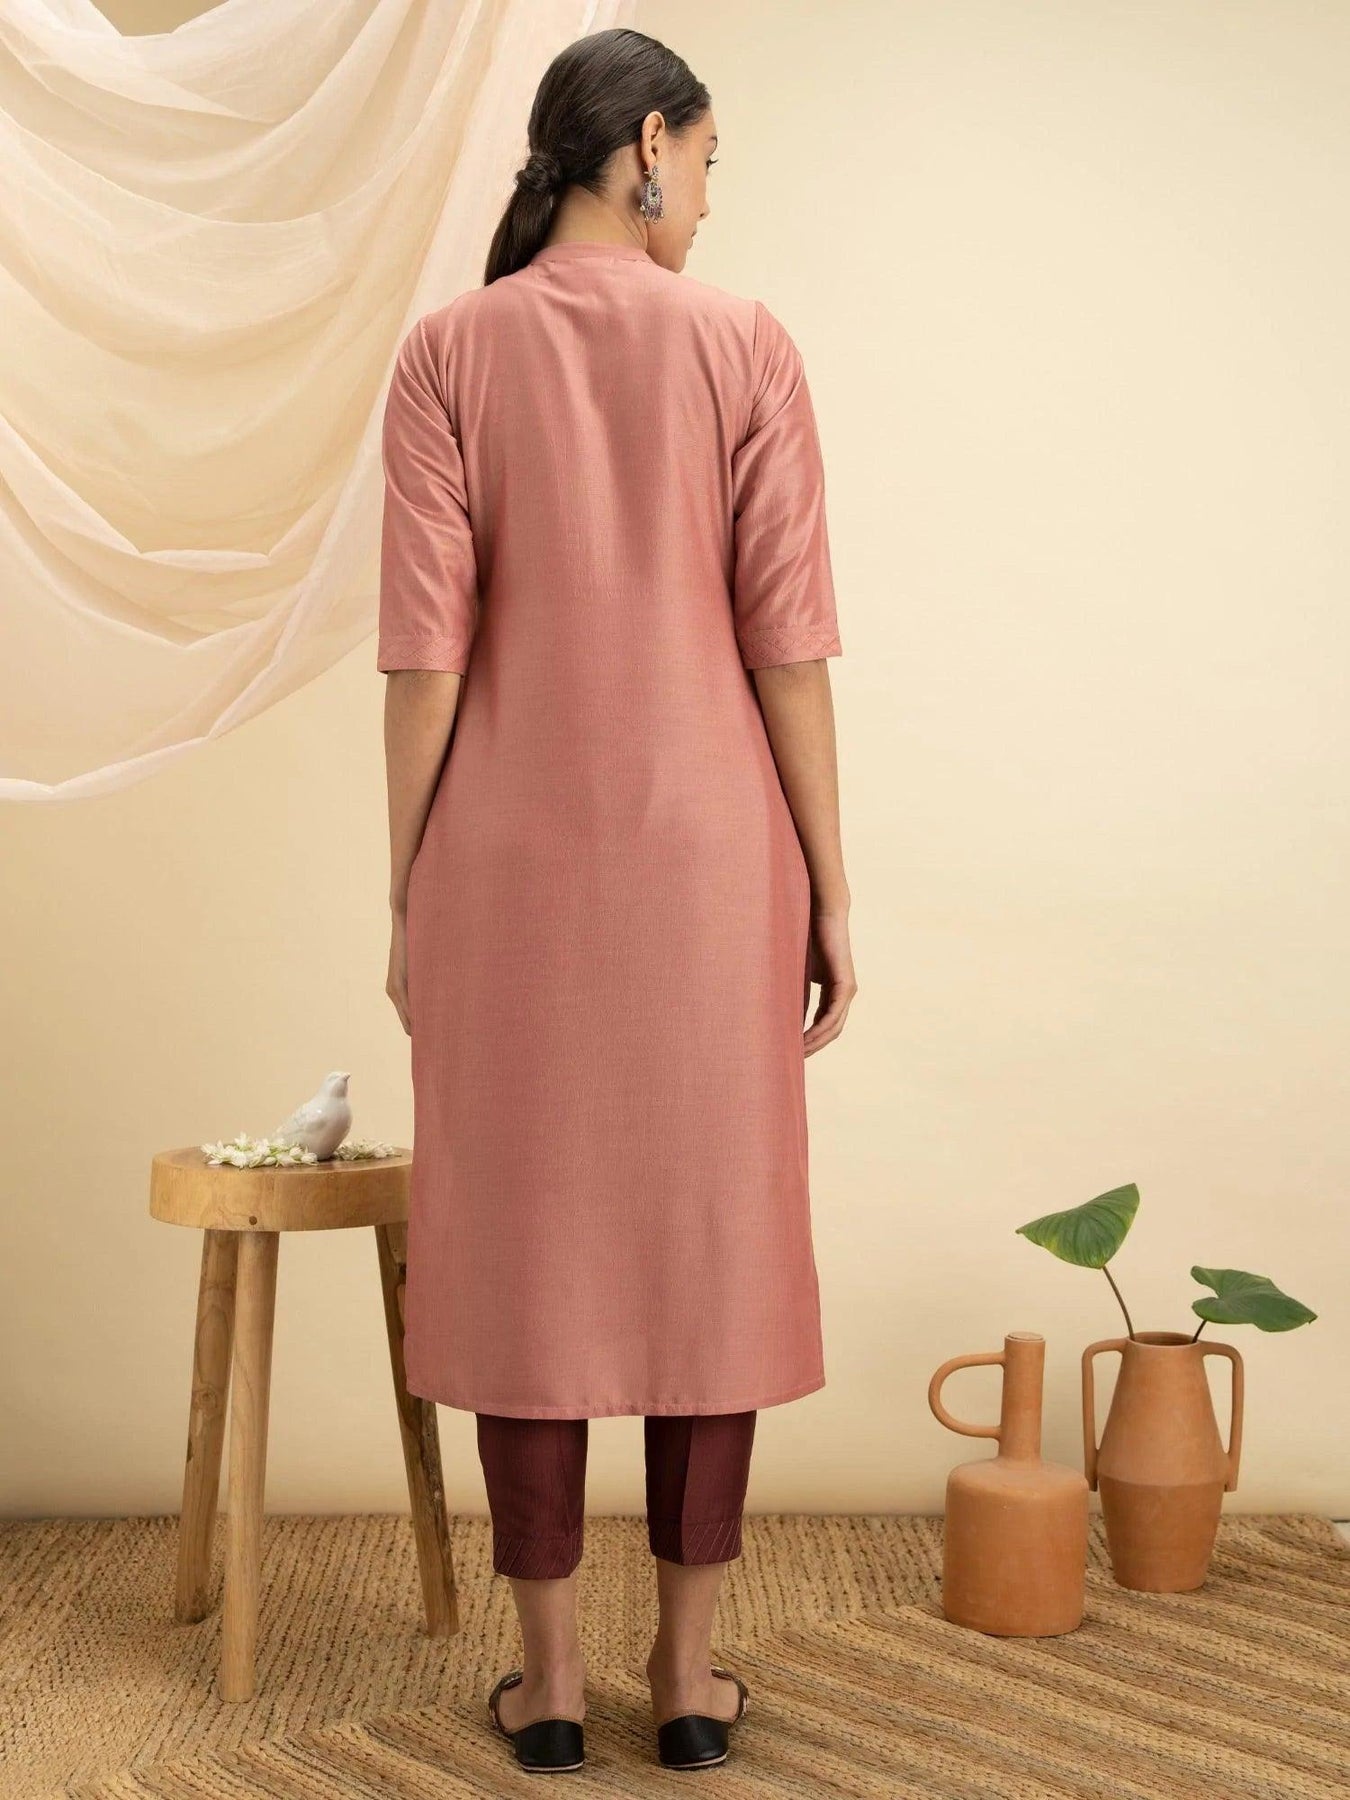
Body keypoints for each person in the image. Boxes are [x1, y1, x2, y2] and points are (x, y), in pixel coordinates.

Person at [377, 24, 856, 1776]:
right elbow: (786, 646)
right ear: (645, 144)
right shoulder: (744, 345)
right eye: (706, 162)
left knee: (523, 1251)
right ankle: (691, 1678)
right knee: (705, 1246)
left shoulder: (446, 353)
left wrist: (409, 888)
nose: (709, 200)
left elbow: (422, 663)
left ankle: (552, 1684)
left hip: (502, 870)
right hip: (714, 864)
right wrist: (831, 887)